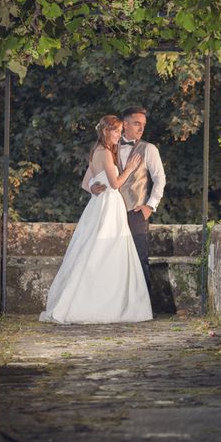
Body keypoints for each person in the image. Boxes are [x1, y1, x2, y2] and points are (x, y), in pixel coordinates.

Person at [39, 115, 152, 323]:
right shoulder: (105, 154)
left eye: (120, 131)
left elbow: (85, 183)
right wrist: (129, 169)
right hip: (108, 206)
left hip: (101, 205)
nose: (119, 135)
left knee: (98, 250)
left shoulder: (96, 151)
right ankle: (99, 303)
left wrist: (92, 187)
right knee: (104, 250)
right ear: (106, 131)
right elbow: (116, 183)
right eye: (116, 131)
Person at [81, 106, 166, 297]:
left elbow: (160, 178)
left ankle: (142, 305)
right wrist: (92, 188)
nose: (141, 128)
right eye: (137, 123)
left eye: (143, 125)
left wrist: (150, 206)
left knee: (138, 258)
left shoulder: (149, 149)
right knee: (110, 258)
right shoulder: (109, 148)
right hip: (111, 213)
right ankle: (115, 301)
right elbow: (89, 178)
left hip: (135, 211)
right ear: (125, 124)